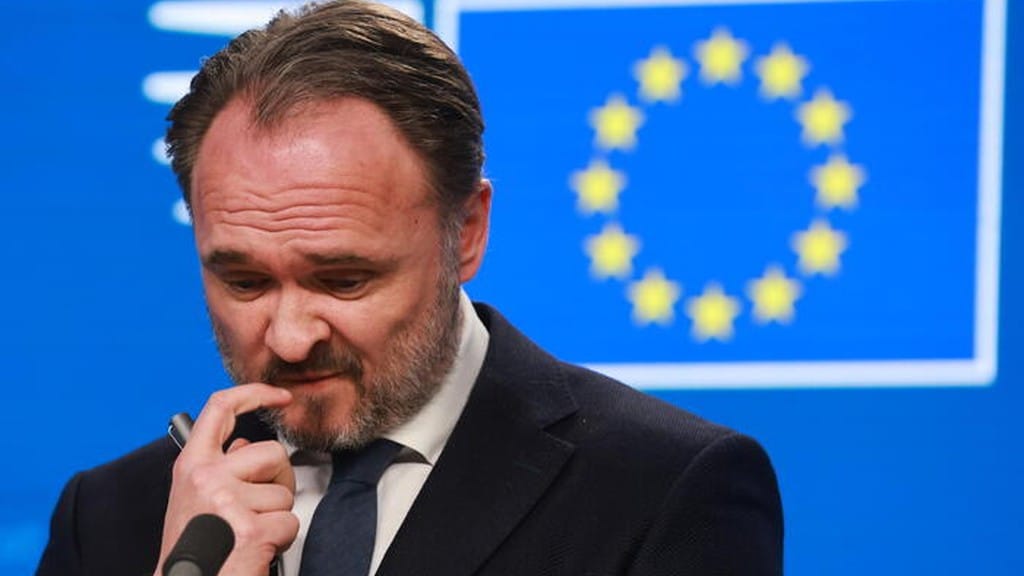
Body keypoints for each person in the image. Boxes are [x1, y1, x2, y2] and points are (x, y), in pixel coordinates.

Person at [36, 1, 783, 574]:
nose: (289, 338)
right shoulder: (111, 519)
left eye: (343, 280)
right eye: (245, 281)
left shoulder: (664, 491)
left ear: (468, 232)